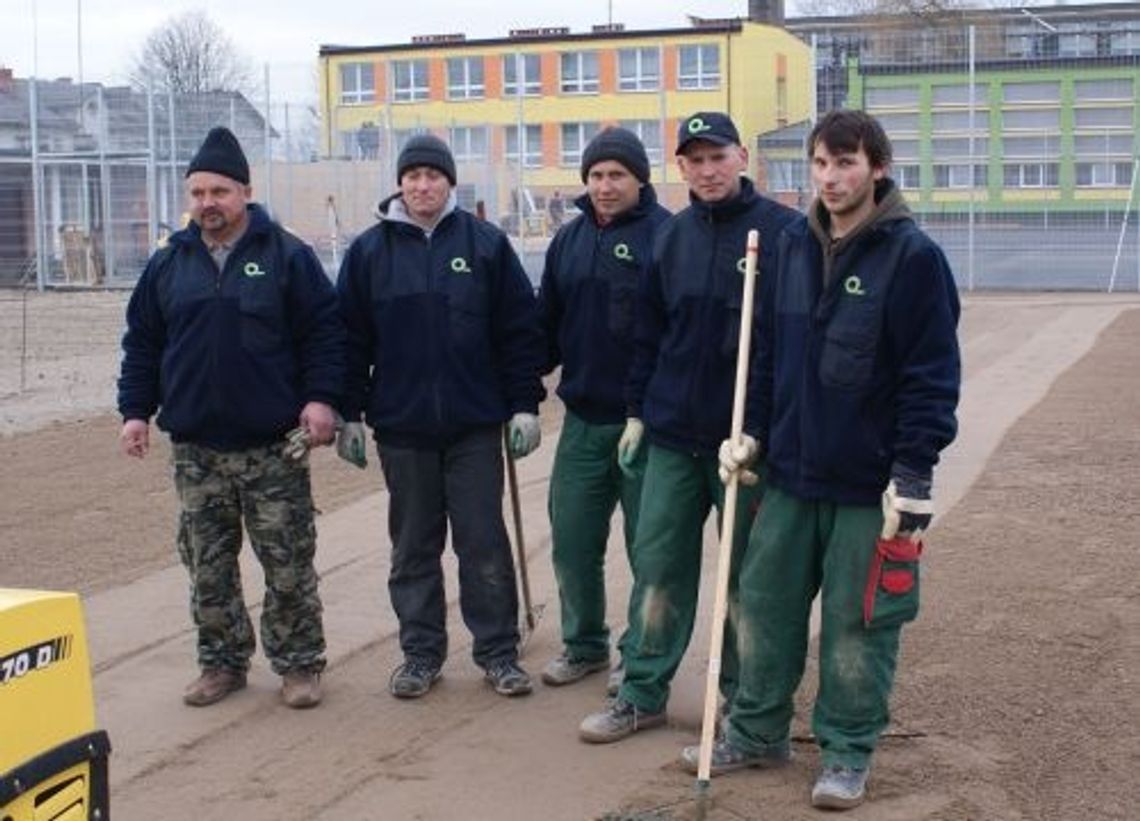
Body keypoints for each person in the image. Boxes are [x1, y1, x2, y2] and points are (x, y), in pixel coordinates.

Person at [689, 110, 961, 811]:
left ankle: (845, 750)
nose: (831, 178)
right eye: (820, 164)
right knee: (763, 608)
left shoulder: (913, 258)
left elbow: (930, 376)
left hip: (865, 486)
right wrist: (750, 432)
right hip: (788, 475)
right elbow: (771, 357)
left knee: (856, 624)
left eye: (845, 163)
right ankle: (755, 732)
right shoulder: (793, 248)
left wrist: (914, 475)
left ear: (877, 167)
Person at [578, 112, 799, 742]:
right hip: (673, 438)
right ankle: (642, 690)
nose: (706, 170)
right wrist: (637, 412)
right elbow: (649, 338)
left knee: (746, 580)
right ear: (680, 167)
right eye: (693, 160)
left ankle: (741, 703)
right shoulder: (670, 239)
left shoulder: (782, 235)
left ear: (741, 157)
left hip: (745, 447)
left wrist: (758, 428)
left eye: (717, 157)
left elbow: (785, 345)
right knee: (658, 568)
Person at [117, 126, 345, 710]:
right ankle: (221, 664)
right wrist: (135, 412)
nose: (207, 203)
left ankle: (299, 666)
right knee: (208, 569)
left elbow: (324, 334)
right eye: (197, 193)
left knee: (288, 564)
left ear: (245, 191)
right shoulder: (169, 264)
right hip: (197, 450)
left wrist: (322, 399)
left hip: (273, 446)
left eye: (218, 191)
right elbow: (143, 342)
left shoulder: (287, 256)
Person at [336, 133, 545, 700]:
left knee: (483, 543)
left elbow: (517, 334)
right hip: (402, 429)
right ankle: (421, 654)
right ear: (400, 184)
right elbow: (349, 340)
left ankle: (498, 652)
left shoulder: (484, 245)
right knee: (413, 547)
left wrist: (525, 404)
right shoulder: (369, 253)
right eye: (413, 176)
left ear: (451, 182)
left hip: (475, 425)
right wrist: (349, 413)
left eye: (434, 176)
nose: (423, 185)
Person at [537, 127, 670, 691]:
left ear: (640, 179)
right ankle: (584, 643)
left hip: (649, 424)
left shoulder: (668, 237)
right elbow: (544, 324)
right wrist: (519, 394)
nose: (605, 186)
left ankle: (638, 653)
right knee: (571, 539)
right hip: (584, 421)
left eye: (617, 175)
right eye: (595, 175)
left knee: (649, 548)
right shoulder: (568, 240)